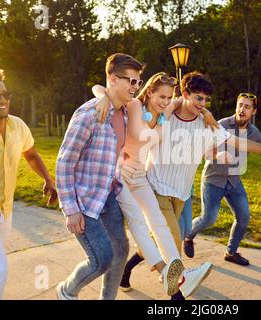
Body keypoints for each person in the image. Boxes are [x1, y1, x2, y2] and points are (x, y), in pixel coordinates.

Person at [145, 72, 261, 269]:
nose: (202, 103)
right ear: (185, 93)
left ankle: (137, 264)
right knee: (177, 240)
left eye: (206, 100)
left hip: (190, 191)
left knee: (177, 236)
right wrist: (172, 105)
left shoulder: (211, 123)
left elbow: (241, 143)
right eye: (198, 98)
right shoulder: (172, 114)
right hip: (169, 187)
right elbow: (142, 111)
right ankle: (176, 284)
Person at [92, 72, 217, 299]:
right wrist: (102, 97)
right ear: (150, 91)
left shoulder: (163, 113)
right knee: (141, 226)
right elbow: (99, 89)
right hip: (121, 175)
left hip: (140, 176)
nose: (165, 101)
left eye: (169, 98)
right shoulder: (135, 105)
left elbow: (183, 100)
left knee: (159, 225)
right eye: (161, 96)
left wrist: (204, 111)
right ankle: (175, 278)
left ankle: (180, 275)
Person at [55, 53, 157, 300]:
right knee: (101, 258)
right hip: (84, 201)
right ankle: (66, 291)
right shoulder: (90, 114)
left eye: (138, 82)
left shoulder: (124, 113)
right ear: (113, 79)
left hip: (108, 193)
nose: (135, 87)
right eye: (130, 81)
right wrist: (71, 209)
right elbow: (64, 162)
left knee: (121, 251)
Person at [0, 67, 57, 300]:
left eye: (5, 95)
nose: (3, 100)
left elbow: (31, 154)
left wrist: (48, 179)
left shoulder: (18, 125)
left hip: (5, 211)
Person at [184, 92, 261, 265]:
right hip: (214, 180)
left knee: (244, 216)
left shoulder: (253, 131)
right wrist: (219, 155)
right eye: (240, 105)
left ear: (254, 112)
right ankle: (188, 235)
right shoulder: (221, 125)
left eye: (247, 107)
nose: (242, 110)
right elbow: (207, 152)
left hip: (234, 181)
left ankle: (231, 252)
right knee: (209, 218)